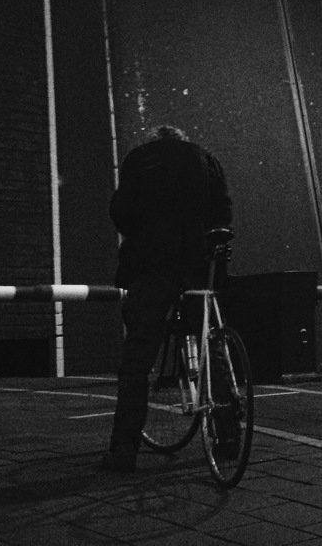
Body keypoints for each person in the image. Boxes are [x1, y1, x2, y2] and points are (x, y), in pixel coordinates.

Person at [102, 125, 233, 473]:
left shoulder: (139, 160)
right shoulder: (207, 160)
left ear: (156, 140)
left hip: (151, 264)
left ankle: (123, 449)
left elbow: (121, 211)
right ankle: (230, 436)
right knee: (211, 344)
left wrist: (144, 231)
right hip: (195, 263)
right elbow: (224, 212)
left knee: (138, 357)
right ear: (182, 138)